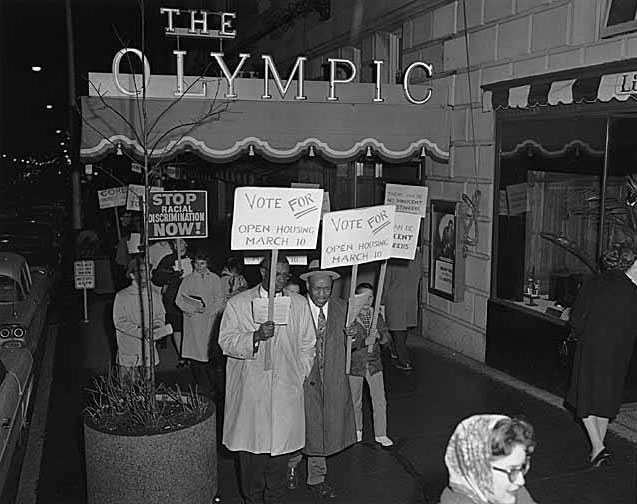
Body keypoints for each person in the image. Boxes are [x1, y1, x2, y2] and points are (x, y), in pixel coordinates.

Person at [218, 254, 315, 504]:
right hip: (252, 394)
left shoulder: (299, 304)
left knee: (278, 465)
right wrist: (256, 336)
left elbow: (308, 346)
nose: (281, 279)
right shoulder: (239, 304)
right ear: (262, 272)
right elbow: (226, 342)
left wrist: (298, 375)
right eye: (276, 274)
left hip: (286, 393)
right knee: (252, 463)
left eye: (285, 275)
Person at [287, 259, 360, 500]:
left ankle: (316, 478)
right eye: (317, 288)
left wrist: (356, 335)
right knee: (300, 429)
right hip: (303, 379)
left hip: (331, 380)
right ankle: (291, 464)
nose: (322, 294)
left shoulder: (343, 308)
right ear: (308, 286)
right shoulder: (294, 308)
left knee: (321, 431)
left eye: (326, 289)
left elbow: (357, 343)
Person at [565, 243, 637, 467]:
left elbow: (577, 319)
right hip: (620, 351)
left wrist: (574, 333)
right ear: (628, 264)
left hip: (592, 347)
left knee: (585, 395)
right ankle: (599, 448)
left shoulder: (593, 283)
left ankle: (598, 447)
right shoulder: (632, 290)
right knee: (607, 395)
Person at [439, 414, 537, 504]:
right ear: (478, 470)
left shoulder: (516, 494)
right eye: (512, 470)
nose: (521, 481)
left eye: (522, 467)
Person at [348, 282, 393, 447]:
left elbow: (387, 339)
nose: (368, 301)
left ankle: (381, 433)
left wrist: (380, 336)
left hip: (374, 364)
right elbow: (347, 344)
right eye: (364, 297)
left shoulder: (377, 316)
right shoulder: (351, 317)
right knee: (355, 400)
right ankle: (356, 430)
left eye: (371, 297)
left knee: (380, 399)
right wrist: (362, 341)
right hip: (356, 364)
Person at [176, 250, 225, 398]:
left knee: (210, 354)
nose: (199, 267)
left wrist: (211, 311)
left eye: (202, 263)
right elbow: (179, 299)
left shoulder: (215, 279)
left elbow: (219, 297)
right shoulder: (188, 280)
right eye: (196, 264)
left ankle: (215, 387)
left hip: (209, 320)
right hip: (194, 321)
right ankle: (202, 386)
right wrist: (193, 308)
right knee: (196, 355)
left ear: (207, 264)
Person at [113, 258, 172, 382]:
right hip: (129, 350)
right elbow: (120, 322)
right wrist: (142, 331)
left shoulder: (154, 295)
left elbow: (160, 316)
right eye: (141, 271)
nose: (145, 275)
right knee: (127, 390)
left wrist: (157, 326)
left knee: (148, 387)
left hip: (147, 350)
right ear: (132, 275)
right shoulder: (122, 296)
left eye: (147, 271)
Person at [381, 246, 423, 371]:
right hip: (411, 298)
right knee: (403, 328)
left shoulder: (393, 259)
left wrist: (381, 302)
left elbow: (386, 282)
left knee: (397, 329)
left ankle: (405, 361)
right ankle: (395, 351)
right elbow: (419, 275)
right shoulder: (417, 256)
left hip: (395, 299)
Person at [151, 238, 192, 364]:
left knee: (190, 327)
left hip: (190, 298)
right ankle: (182, 356)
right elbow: (157, 277)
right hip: (173, 298)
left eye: (181, 242)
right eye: (175, 243)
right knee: (177, 327)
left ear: (186, 244)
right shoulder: (168, 259)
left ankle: (191, 354)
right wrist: (171, 274)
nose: (178, 245)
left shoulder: (193, 258)